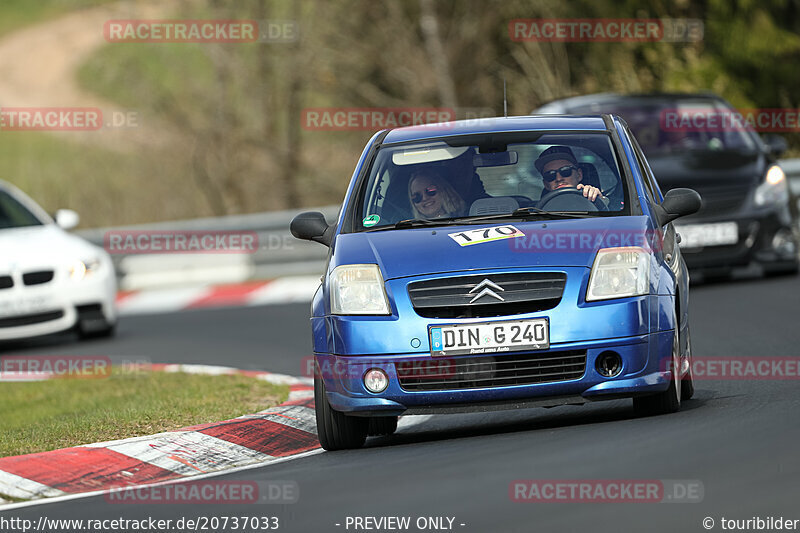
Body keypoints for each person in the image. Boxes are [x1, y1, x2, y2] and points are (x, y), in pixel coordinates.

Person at [534, 146, 605, 207]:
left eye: (565, 171)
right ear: (546, 184)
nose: (558, 178)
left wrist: (598, 200)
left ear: (579, 175)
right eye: (550, 175)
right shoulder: (535, 216)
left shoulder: (594, 200)